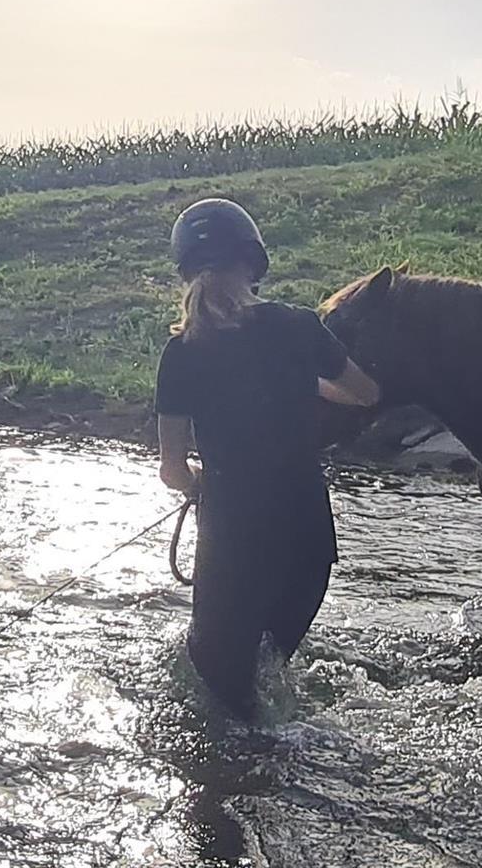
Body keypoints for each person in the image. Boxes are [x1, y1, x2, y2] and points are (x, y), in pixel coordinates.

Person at [155, 198, 380, 719]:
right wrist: (309, 386)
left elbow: (171, 469)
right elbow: (366, 393)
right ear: (253, 260)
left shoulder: (183, 352)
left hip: (232, 544)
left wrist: (197, 479)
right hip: (307, 542)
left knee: (223, 693)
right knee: (269, 668)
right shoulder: (300, 326)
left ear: (185, 268)